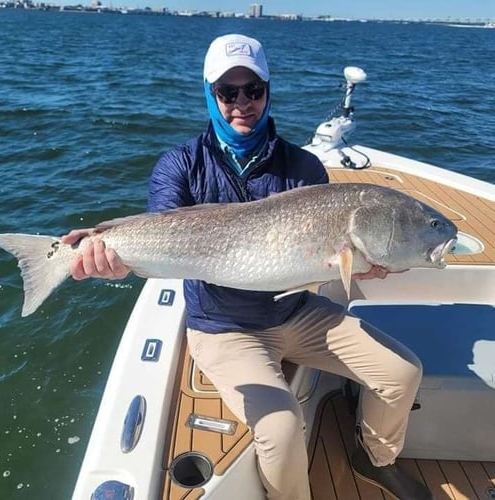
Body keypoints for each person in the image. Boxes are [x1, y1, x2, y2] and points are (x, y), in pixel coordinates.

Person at [63, 34, 433, 500]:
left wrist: (360, 265)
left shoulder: (302, 166)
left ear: (268, 91)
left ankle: (375, 457)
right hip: (223, 327)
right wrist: (117, 262)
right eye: (228, 92)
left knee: (403, 372)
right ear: (210, 94)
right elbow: (158, 237)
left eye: (253, 90)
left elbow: (325, 259)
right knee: (280, 429)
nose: (242, 103)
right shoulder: (179, 165)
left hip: (296, 312)